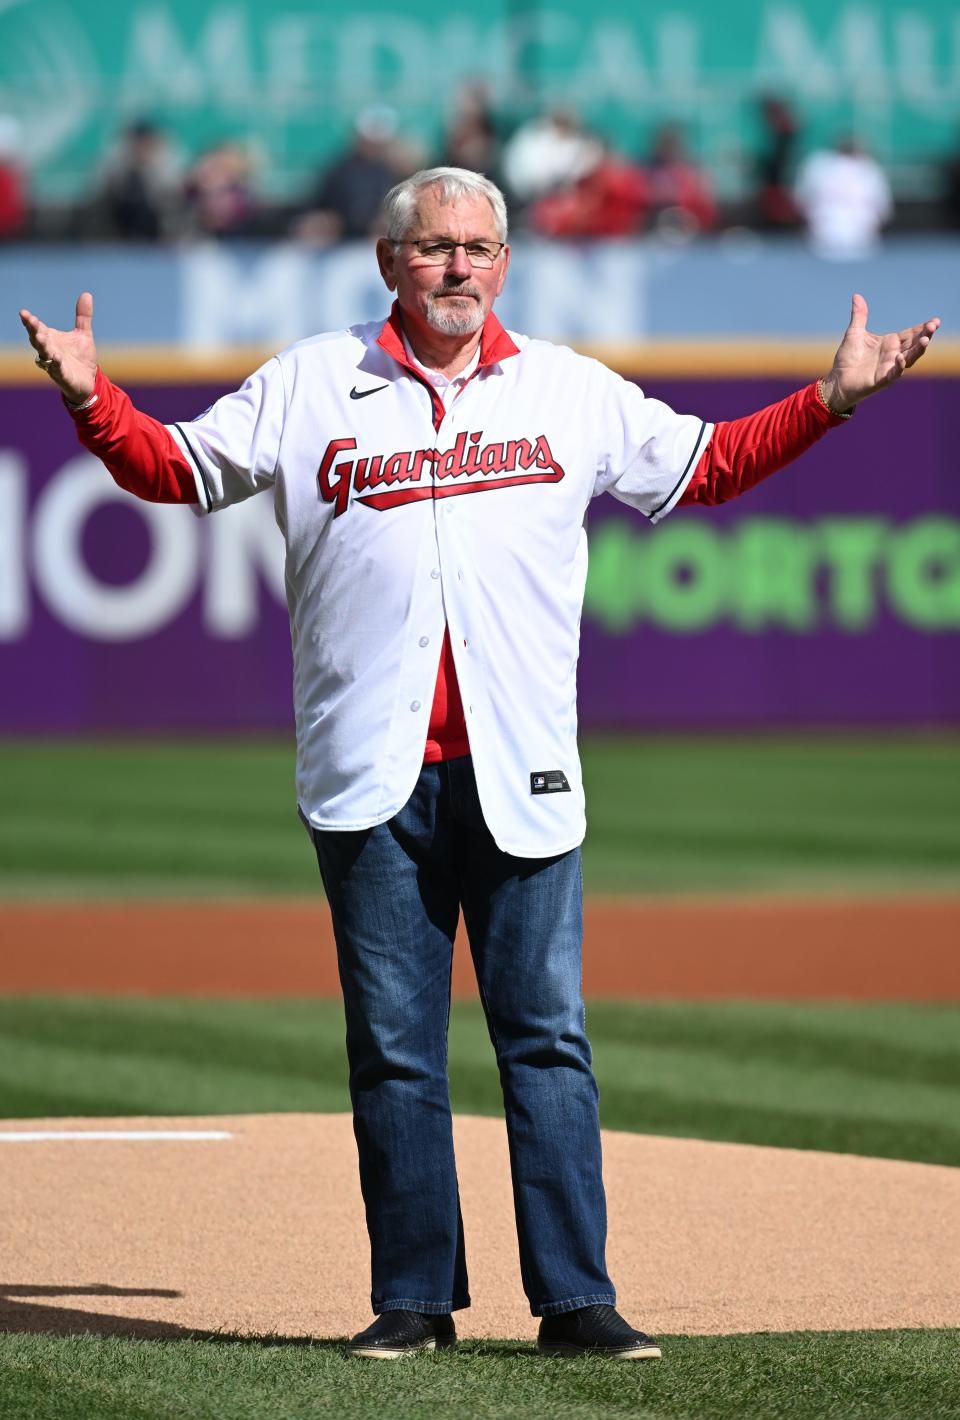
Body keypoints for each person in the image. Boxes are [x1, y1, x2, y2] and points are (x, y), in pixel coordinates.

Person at [20, 166, 939, 1362]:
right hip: (370, 771)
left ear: (506, 261)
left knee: (545, 1037)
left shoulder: (563, 387)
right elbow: (177, 471)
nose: (459, 265)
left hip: (522, 769)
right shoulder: (313, 380)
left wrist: (832, 399)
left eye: (480, 247)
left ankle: (575, 1297)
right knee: (395, 1047)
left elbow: (704, 463)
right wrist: (95, 403)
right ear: (390, 261)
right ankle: (414, 1297)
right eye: (436, 246)